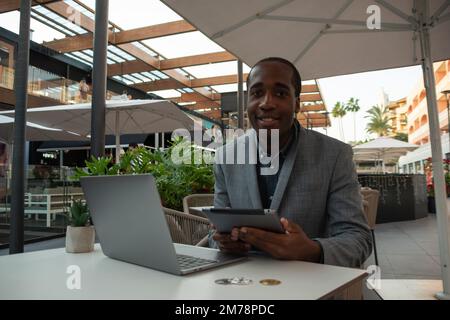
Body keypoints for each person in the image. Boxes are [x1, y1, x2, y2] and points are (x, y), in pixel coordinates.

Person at [211, 57, 372, 268]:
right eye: (257, 93)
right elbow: (216, 233)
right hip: (244, 285)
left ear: (297, 103)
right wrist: (224, 243)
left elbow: (358, 239)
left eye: (280, 93)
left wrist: (312, 251)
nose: (266, 103)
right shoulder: (225, 157)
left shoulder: (335, 155)